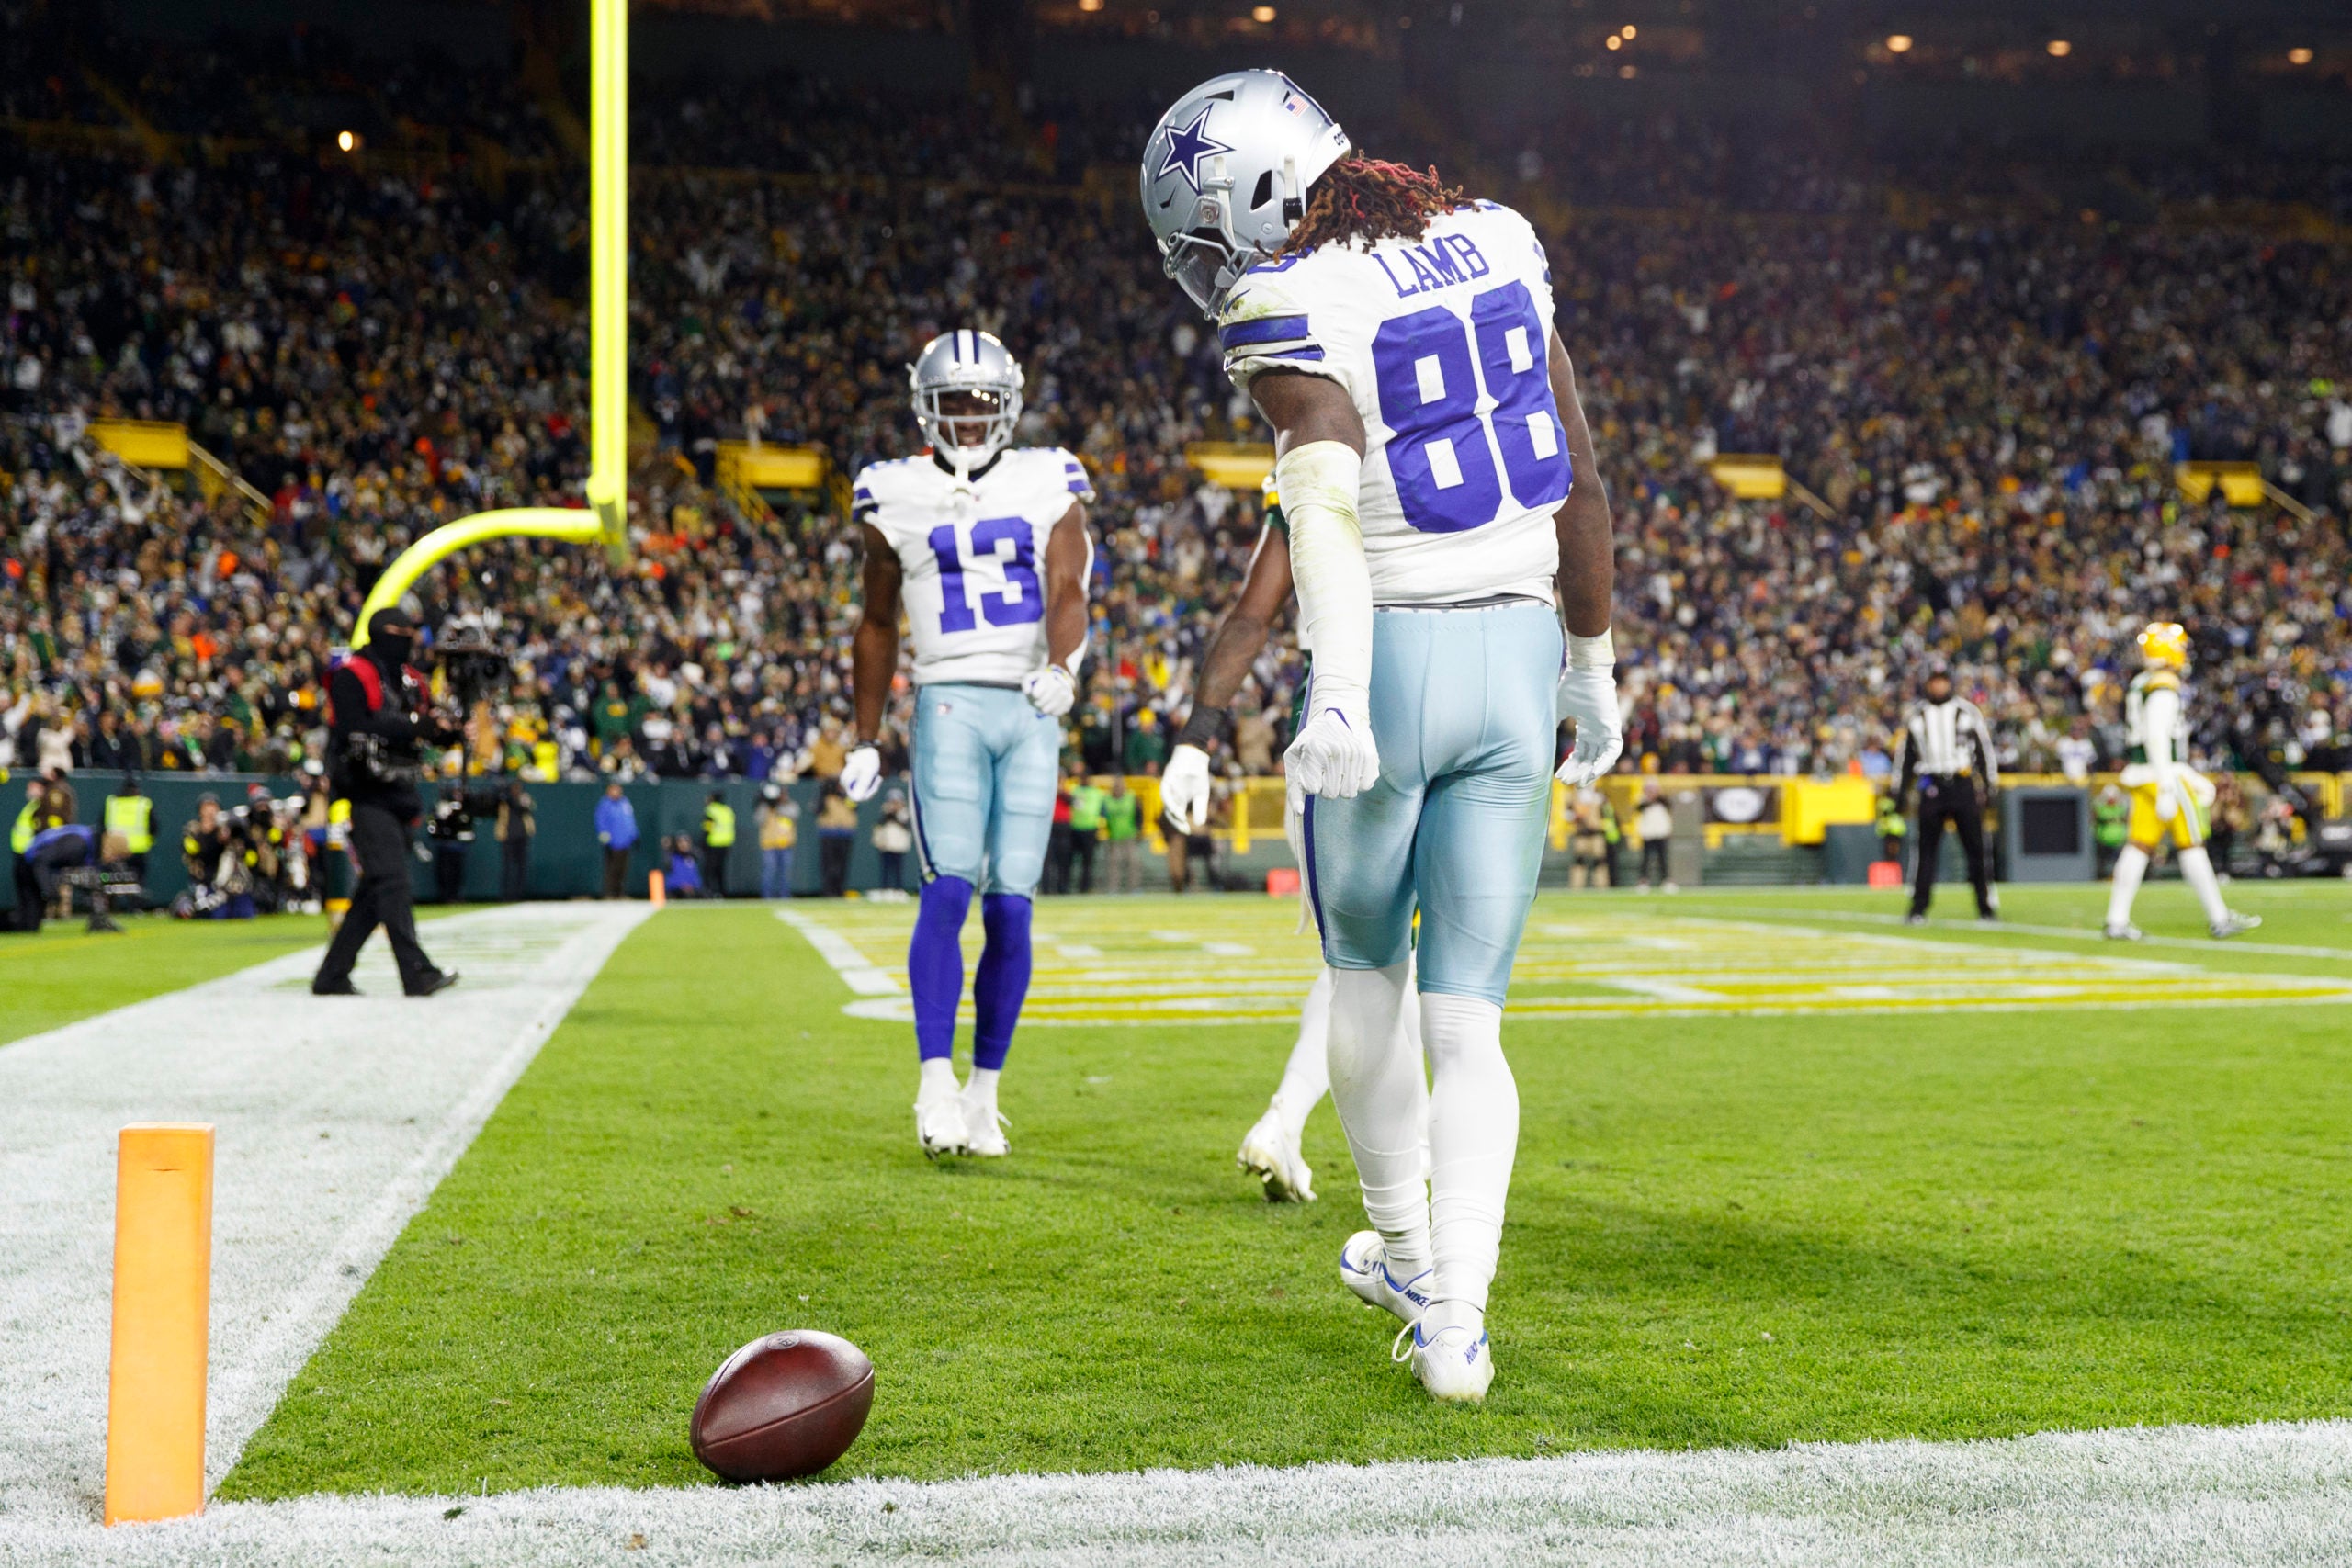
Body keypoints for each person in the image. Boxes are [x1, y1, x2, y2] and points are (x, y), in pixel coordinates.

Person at [1143, 73, 1620, 1401]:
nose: (1211, 265)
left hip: (1397, 650)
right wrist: (1595, 659)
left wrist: (1340, 688)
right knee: (1471, 1018)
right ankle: (1460, 1322)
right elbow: (1582, 463)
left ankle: (1411, 1257)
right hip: (1522, 653)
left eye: (1207, 229)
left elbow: (1326, 517)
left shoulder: (1288, 296)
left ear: (1250, 193)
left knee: (1365, 977)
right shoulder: (1501, 235)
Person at [842, 326, 1094, 1158]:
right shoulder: (892, 491)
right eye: (953, 402)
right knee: (947, 890)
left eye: (983, 402)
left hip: (1028, 707)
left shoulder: (1048, 478)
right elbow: (877, 620)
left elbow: (1068, 586)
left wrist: (1065, 666)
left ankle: (985, 1094)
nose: (969, 417)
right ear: (925, 405)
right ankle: (933, 1081)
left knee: (1013, 907)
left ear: (1010, 405)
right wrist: (866, 736)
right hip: (948, 697)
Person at [1165, 469, 1428, 1207]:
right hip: (1416, 693)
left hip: (1324, 724)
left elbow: (1253, 616)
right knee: (1398, 957)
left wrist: (1198, 738)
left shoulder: (1315, 450)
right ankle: (1377, 1137)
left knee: (1367, 958)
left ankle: (1321, 1122)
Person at [311, 607, 460, 996]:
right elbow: (354, 725)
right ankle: (417, 972)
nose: (411, 640)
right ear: (384, 633)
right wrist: (415, 726)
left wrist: (445, 732)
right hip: (362, 791)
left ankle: (332, 975)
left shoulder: (410, 680)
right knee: (392, 881)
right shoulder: (351, 675)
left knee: (376, 889)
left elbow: (425, 726)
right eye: (404, 632)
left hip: (399, 791)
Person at [2105, 621, 2260, 941]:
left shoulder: (2142, 682)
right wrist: (2168, 782)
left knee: (2139, 846)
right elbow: (2157, 737)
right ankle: (2219, 918)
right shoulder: (2163, 685)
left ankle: (2116, 920)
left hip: (2143, 773)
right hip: (2161, 775)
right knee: (2192, 844)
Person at [1894, 668, 1999, 925]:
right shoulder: (1917, 715)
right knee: (1926, 850)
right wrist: (1900, 792)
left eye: (1942, 682)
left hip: (1961, 783)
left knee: (1976, 848)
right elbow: (1905, 758)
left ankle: (1985, 907)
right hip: (1932, 785)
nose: (1939, 687)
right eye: (1935, 682)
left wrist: (1990, 785)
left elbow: (1984, 750)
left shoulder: (1966, 711)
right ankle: (1918, 907)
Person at [104, 773, 153, 904]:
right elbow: (154, 826)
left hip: (115, 851)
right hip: (138, 849)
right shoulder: (143, 803)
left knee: (111, 881)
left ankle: (110, 906)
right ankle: (135, 907)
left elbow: (103, 825)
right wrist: (149, 841)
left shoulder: (113, 803)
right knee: (136, 882)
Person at [594, 780, 638, 898]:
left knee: (623, 869)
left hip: (626, 840)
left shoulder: (625, 802)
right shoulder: (605, 804)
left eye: (618, 789)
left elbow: (630, 820)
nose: (617, 791)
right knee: (612, 868)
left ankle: (620, 893)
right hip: (613, 841)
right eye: (614, 789)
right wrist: (605, 836)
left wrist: (634, 834)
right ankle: (609, 893)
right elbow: (600, 821)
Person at [815, 781, 858, 897]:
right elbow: (817, 809)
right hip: (829, 834)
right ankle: (828, 891)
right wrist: (823, 794)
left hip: (845, 834)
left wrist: (844, 796)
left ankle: (839, 890)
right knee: (829, 865)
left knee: (842, 865)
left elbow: (855, 807)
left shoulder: (848, 798)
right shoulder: (826, 798)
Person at [1102, 774, 1142, 893]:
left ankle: (1134, 888)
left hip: (1129, 835)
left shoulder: (1131, 797)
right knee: (1114, 864)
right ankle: (1113, 888)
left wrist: (1139, 830)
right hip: (1114, 836)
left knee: (1133, 863)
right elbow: (1103, 816)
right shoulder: (1107, 799)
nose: (1119, 788)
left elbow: (1139, 814)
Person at [756, 783, 797, 898]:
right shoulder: (766, 807)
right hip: (769, 845)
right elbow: (759, 820)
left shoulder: (790, 805)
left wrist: (777, 806)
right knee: (769, 872)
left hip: (785, 845)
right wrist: (766, 805)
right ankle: (767, 896)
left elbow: (794, 814)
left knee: (785, 874)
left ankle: (784, 896)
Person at [495, 780, 534, 901]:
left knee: (521, 867)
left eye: (518, 788)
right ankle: (506, 894)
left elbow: (529, 809)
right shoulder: (506, 801)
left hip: (522, 837)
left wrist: (526, 802)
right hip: (508, 837)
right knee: (508, 868)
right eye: (514, 788)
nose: (517, 791)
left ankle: (519, 894)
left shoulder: (524, 800)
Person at [1067, 774, 1106, 893]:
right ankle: (1067, 887)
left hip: (1089, 829)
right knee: (1072, 862)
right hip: (1075, 828)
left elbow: (1103, 811)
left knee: (1087, 863)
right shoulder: (1074, 791)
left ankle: (1085, 887)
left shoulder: (1095, 793)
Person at [1635, 783, 1674, 890]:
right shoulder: (1643, 801)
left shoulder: (1662, 801)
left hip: (1661, 834)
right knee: (1646, 859)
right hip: (1648, 834)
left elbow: (1669, 804)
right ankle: (1643, 881)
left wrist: (1657, 797)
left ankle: (1666, 880)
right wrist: (1649, 799)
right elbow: (1639, 808)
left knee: (1663, 859)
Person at [873, 793, 913, 892]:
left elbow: (905, 825)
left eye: (897, 802)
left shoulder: (904, 813)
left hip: (899, 846)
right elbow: (879, 826)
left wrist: (894, 814)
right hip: (887, 845)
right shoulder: (884, 813)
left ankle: (898, 889)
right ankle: (884, 889)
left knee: (898, 869)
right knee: (885, 869)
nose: (895, 804)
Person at [701, 787, 737, 898]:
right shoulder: (728, 810)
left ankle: (709, 891)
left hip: (713, 843)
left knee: (709, 869)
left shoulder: (711, 810)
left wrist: (703, 841)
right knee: (720, 869)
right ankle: (721, 892)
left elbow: (708, 827)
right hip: (726, 843)